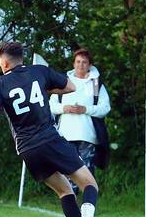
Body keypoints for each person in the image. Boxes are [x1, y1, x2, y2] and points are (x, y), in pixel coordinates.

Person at [0, 41, 114, 217]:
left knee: (65, 191)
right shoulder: (39, 72)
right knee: (89, 183)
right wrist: (45, 90)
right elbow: (71, 86)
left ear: (4, 63)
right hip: (49, 139)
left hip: (27, 150)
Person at [48, 49, 111, 193]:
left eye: (84, 62)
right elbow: (51, 106)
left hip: (87, 135)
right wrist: (65, 108)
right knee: (67, 169)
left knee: (86, 169)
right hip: (65, 134)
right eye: (78, 62)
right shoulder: (63, 82)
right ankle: (71, 200)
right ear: (73, 63)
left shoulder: (97, 85)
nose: (81, 65)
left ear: (89, 65)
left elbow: (105, 108)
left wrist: (85, 109)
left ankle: (89, 201)